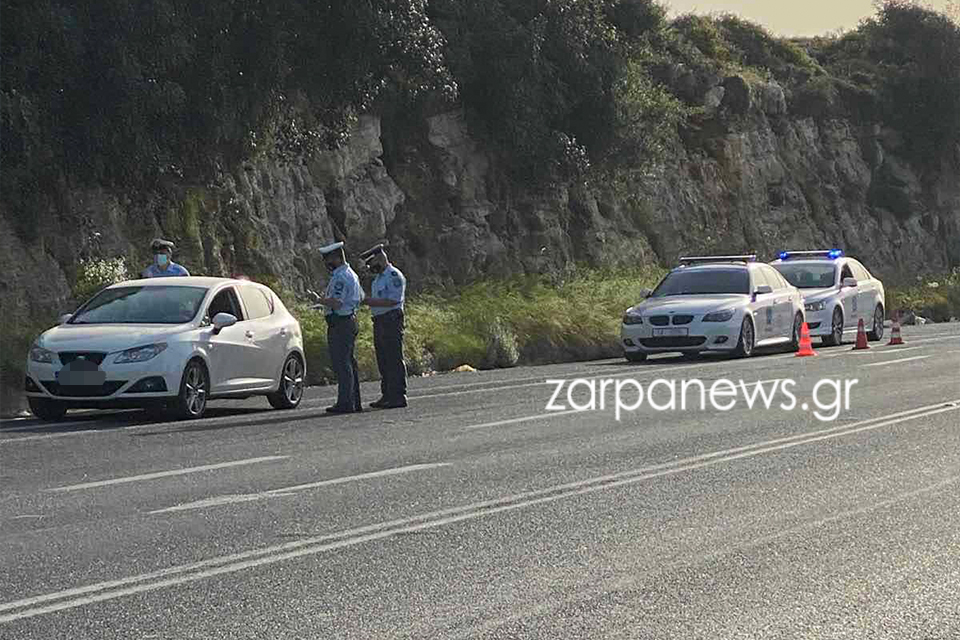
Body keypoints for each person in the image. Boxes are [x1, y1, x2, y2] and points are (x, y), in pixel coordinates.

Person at [315, 241, 363, 414]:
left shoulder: (341, 277)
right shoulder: (349, 274)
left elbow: (336, 302)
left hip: (341, 323)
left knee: (342, 364)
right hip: (347, 320)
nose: (326, 264)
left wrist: (319, 300)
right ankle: (353, 401)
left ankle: (346, 403)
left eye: (327, 260)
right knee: (349, 362)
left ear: (335, 258)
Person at [360, 243, 408, 409]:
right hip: (380, 321)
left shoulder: (394, 276)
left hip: (391, 320)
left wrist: (367, 301)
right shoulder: (379, 279)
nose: (371, 268)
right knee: (383, 359)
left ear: (380, 259)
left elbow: (393, 300)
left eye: (372, 264)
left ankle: (398, 395)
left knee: (393, 358)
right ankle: (387, 394)